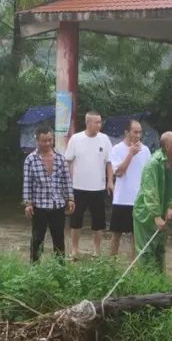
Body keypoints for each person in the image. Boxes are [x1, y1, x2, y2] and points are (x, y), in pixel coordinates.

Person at [132, 131, 172, 272]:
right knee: (145, 250)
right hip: (146, 211)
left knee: (160, 249)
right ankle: (143, 282)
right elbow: (150, 190)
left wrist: (171, 207)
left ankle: (159, 281)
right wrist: (155, 214)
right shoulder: (153, 163)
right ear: (167, 146)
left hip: (163, 211)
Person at [64, 110, 112, 259]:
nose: (99, 124)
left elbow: (109, 162)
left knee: (98, 222)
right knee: (75, 220)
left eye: (100, 121)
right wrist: (67, 184)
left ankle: (96, 250)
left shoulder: (104, 139)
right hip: (78, 187)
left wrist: (110, 181)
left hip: (98, 188)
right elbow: (68, 161)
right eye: (97, 122)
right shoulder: (76, 139)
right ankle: (74, 249)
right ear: (88, 123)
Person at [22, 126, 75, 262]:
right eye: (44, 141)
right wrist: (28, 203)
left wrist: (70, 199)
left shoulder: (60, 159)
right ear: (37, 141)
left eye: (49, 140)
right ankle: (35, 268)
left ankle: (60, 269)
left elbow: (66, 180)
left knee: (59, 239)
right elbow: (27, 183)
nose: (47, 144)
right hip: (39, 206)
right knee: (37, 239)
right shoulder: (30, 159)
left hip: (57, 205)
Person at [108, 119, 150, 257]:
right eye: (135, 132)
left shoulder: (146, 150)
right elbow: (119, 172)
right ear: (126, 132)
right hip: (121, 200)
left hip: (139, 200)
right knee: (116, 236)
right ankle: (110, 265)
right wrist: (130, 153)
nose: (138, 135)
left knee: (136, 237)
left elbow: (149, 175)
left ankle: (134, 268)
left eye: (140, 132)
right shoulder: (117, 149)